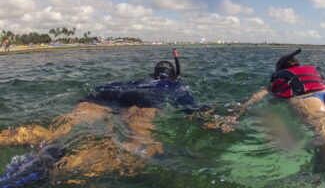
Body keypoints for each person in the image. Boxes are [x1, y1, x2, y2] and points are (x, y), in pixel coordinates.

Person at [0, 49, 207, 187]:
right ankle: (62, 169)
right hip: (143, 101)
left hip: (106, 93)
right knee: (141, 147)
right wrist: (210, 122)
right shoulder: (174, 85)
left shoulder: (139, 80)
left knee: (58, 131)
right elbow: (193, 109)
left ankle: (12, 140)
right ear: (172, 76)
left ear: (153, 73)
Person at [208, 48, 325, 184]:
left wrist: (233, 116)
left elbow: (254, 99)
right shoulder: (315, 74)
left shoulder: (277, 78)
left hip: (307, 102)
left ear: (279, 70)